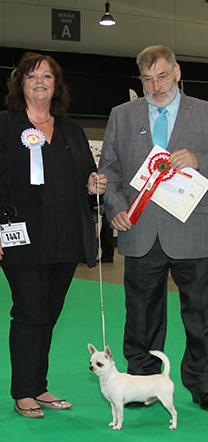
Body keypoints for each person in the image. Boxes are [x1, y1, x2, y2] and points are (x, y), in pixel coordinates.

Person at [0, 52, 107, 418]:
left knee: (48, 313)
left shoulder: (72, 130)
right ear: (19, 82)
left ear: (56, 85)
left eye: (47, 77)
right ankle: (23, 391)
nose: (39, 82)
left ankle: (40, 386)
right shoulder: (1, 126)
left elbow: (87, 179)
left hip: (65, 238)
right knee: (30, 311)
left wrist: (95, 184)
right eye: (31, 76)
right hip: (21, 237)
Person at [99, 45, 208, 410]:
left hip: (193, 230)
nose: (156, 85)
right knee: (141, 315)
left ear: (177, 72)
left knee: (201, 314)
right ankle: (142, 381)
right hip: (139, 230)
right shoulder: (121, 115)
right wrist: (114, 206)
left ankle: (202, 381)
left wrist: (199, 159)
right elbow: (109, 170)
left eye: (162, 76)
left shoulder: (205, 112)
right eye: (147, 79)